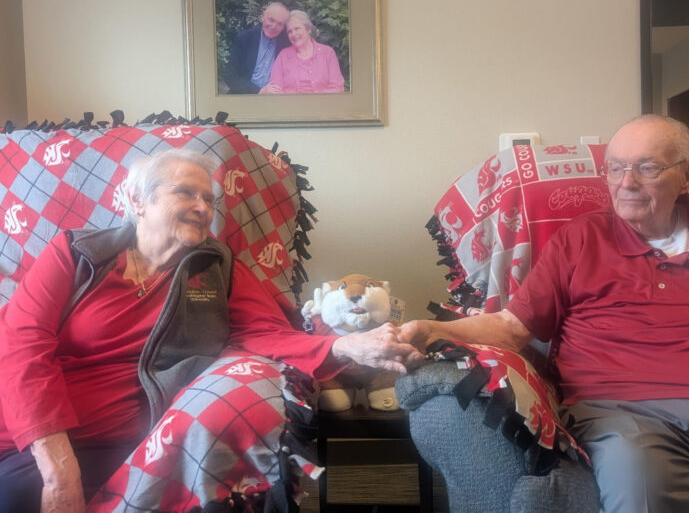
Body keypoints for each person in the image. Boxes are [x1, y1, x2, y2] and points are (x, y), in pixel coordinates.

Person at [400, 115, 689, 512]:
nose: (626, 182)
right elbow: (511, 326)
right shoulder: (580, 239)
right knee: (637, 486)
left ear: (686, 175)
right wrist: (429, 329)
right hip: (629, 412)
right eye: (616, 168)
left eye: (648, 168)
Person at [0, 149, 422, 513]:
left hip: (136, 440)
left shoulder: (217, 266)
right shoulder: (75, 255)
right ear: (136, 200)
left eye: (209, 199)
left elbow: (267, 334)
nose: (203, 207)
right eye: (185, 192)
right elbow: (21, 347)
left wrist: (349, 345)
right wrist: (57, 467)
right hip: (38, 437)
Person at [263, 10, 345, 95]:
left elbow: (337, 88)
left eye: (297, 28)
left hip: (323, 106)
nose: (293, 34)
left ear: (308, 29)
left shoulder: (327, 53)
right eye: (289, 31)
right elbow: (275, 89)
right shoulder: (283, 56)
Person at [224, 2, 290, 94]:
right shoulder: (244, 38)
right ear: (263, 17)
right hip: (244, 95)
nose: (274, 26)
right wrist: (260, 91)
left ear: (283, 27)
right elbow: (230, 75)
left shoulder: (286, 43)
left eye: (280, 24)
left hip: (273, 99)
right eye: (271, 20)